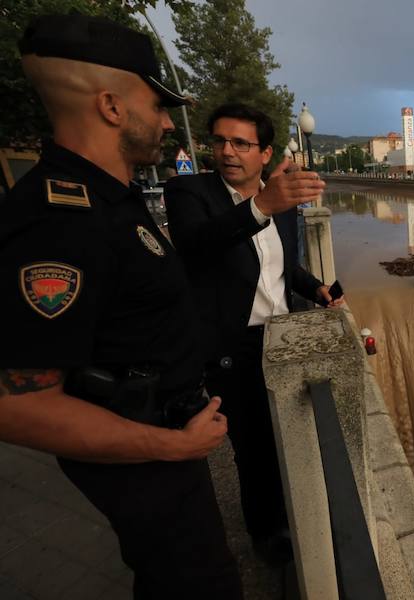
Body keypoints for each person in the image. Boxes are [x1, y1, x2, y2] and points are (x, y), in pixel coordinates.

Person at [0, 14, 242, 599]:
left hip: (164, 441)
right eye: (156, 106)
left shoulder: (112, 197)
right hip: (145, 455)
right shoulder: (58, 223)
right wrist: (172, 446)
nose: (165, 122)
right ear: (111, 105)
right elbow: (16, 405)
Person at [164, 103, 338, 564]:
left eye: (241, 143)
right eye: (219, 141)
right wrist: (262, 206)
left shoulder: (275, 201)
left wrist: (315, 287)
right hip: (231, 347)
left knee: (297, 434)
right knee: (254, 448)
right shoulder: (189, 192)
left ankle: (304, 513)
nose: (227, 151)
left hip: (283, 336)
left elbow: (279, 266)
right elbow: (198, 244)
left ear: (264, 153)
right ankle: (269, 536)